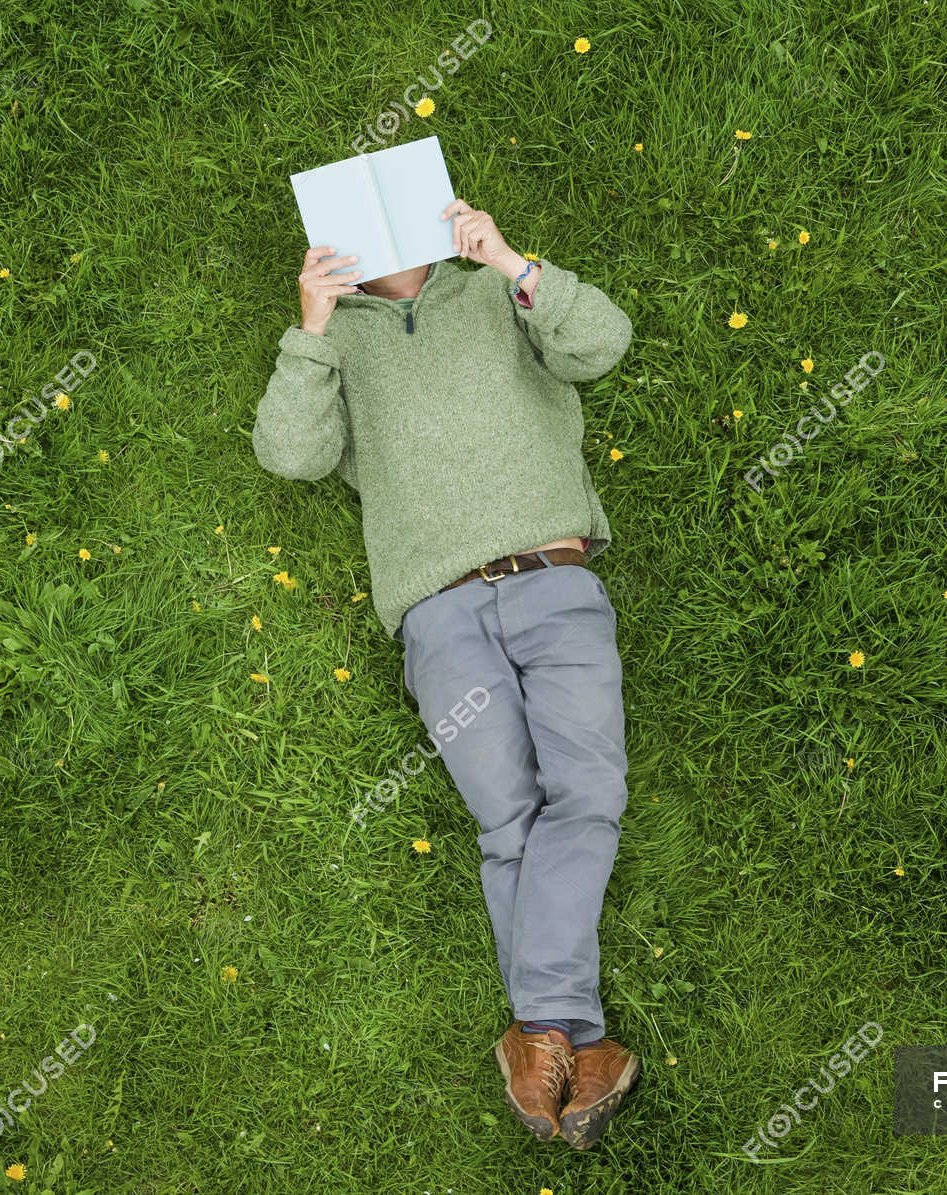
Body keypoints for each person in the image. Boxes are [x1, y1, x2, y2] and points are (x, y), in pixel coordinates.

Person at [251, 197, 640, 1148]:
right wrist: (309, 326)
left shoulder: (492, 295)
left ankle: (547, 1036)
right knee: (508, 819)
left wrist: (512, 261)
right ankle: (570, 1042)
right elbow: (290, 455)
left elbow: (604, 343)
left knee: (584, 793)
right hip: (439, 614)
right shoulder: (341, 341)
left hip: (555, 582)